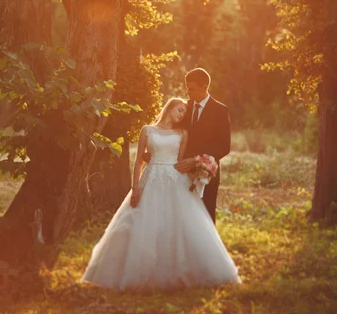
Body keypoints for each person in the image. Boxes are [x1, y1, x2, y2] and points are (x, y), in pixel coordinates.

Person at [81, 97, 240, 292]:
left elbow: (180, 160)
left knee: (178, 223)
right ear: (170, 108)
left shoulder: (182, 133)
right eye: (179, 110)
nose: (182, 115)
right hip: (151, 178)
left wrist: (199, 167)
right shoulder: (147, 130)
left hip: (174, 180)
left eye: (184, 112)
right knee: (143, 221)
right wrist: (136, 187)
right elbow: (139, 160)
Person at [175, 67, 231, 223]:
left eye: (191, 88)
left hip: (207, 175)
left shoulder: (220, 110)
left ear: (204, 86)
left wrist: (196, 160)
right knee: (183, 218)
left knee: (206, 218)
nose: (188, 92)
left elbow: (224, 146)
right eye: (187, 88)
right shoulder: (184, 108)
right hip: (182, 174)